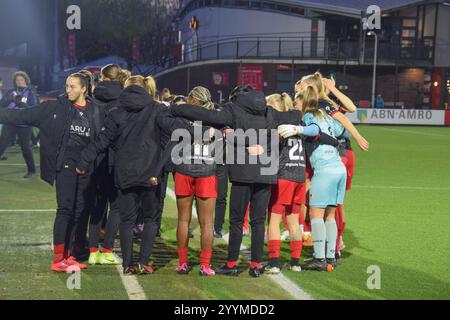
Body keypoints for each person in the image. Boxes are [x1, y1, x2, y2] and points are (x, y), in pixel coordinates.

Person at [170, 86, 312, 278]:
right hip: (266, 172)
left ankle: (231, 264)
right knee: (258, 221)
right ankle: (255, 265)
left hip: (242, 173)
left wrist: (178, 108)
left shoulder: (232, 110)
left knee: (237, 221)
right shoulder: (269, 111)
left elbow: (205, 114)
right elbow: (294, 116)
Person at [0, 73, 103, 272]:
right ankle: (58, 259)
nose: (68, 90)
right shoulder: (54, 108)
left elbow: (100, 138)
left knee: (78, 212)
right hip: (65, 165)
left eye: (73, 87)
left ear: (84, 89)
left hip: (86, 167)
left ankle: (69, 255)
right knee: (65, 209)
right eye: (67, 86)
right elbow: (21, 115)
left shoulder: (95, 110)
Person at [76, 75, 162, 275]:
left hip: (124, 173)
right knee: (150, 219)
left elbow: (102, 141)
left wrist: (84, 160)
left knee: (127, 220)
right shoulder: (158, 109)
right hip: (150, 174)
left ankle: (127, 264)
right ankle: (143, 262)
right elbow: (172, 135)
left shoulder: (117, 112)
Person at [266, 93, 339, 274]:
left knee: (274, 219)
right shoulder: (300, 124)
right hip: (299, 177)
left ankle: (274, 263)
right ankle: (295, 262)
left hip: (283, 176)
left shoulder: (277, 125)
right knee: (293, 219)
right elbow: (323, 136)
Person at [279, 85, 349, 271]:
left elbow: (313, 129)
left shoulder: (309, 115)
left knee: (315, 214)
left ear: (303, 102)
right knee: (330, 216)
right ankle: (331, 257)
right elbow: (345, 132)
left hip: (325, 170)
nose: (295, 105)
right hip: (339, 168)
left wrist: (298, 129)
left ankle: (319, 258)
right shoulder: (325, 115)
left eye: (296, 102)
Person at [158, 86, 219, 276]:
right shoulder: (216, 118)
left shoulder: (182, 118)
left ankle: (183, 263)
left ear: (192, 100)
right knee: (207, 223)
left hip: (184, 168)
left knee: (183, 219)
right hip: (207, 170)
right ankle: (205, 265)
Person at [86, 64, 129, 265]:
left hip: (95, 156)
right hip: (118, 157)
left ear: (102, 78)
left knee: (97, 205)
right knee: (117, 207)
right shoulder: (124, 98)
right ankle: (108, 250)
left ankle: (93, 250)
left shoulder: (92, 97)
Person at [0, 71, 37, 177]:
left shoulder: (30, 92)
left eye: (21, 80)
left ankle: (32, 170)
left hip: (24, 124)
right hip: (10, 122)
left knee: (25, 148)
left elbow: (32, 108)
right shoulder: (11, 91)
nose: (19, 81)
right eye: (17, 80)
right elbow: (1, 104)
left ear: (25, 80)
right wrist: (8, 99)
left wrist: (19, 102)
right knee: (1, 145)